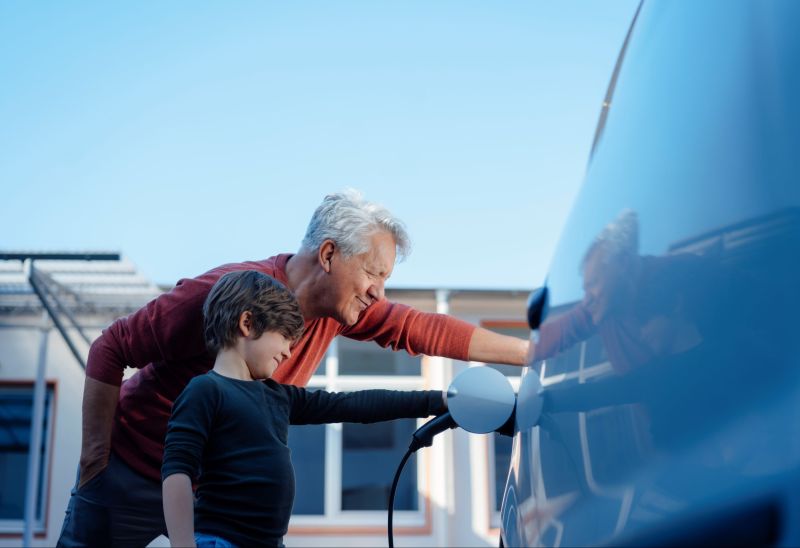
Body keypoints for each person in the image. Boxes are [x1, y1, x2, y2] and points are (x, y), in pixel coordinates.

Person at [58, 189, 529, 547]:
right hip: (131, 473)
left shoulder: (339, 310)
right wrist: (95, 460)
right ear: (329, 255)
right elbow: (111, 347)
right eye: (373, 273)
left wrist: (536, 353)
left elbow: (418, 332)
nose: (379, 292)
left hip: (218, 504)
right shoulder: (224, 295)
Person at [163, 270, 448, 548]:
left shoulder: (277, 396)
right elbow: (177, 470)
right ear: (247, 323)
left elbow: (352, 405)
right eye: (283, 337)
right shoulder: (205, 390)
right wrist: (183, 544)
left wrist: (438, 401)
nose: (288, 352)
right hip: (220, 541)